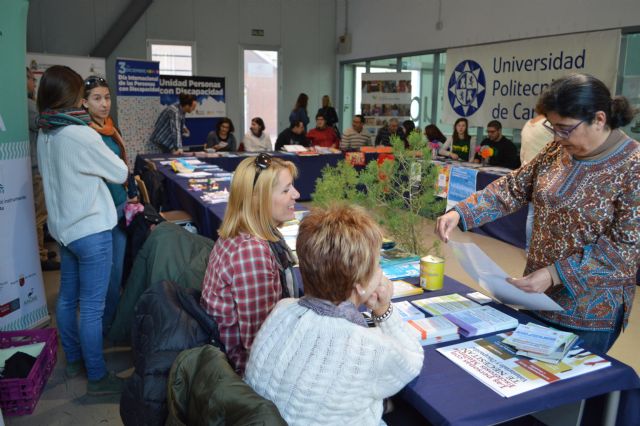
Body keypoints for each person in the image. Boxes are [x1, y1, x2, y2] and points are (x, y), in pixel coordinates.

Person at [435, 73, 640, 353]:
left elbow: (624, 248)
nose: (557, 136)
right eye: (552, 127)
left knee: (569, 393)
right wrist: (461, 211)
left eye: (565, 128)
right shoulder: (557, 149)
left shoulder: (633, 166)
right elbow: (514, 187)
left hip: (588, 313)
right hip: (535, 296)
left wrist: (556, 274)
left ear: (599, 119)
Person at [245, 204, 424, 425]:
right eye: (377, 264)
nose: (380, 272)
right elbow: (412, 362)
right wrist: (383, 310)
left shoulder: (282, 310)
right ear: (359, 283)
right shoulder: (368, 347)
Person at [37, 65, 128, 394]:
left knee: (66, 299)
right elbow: (119, 172)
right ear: (72, 97)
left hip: (64, 232)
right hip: (90, 231)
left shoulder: (46, 132)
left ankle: (74, 359)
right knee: (92, 307)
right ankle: (98, 376)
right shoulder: (80, 134)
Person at [200, 154, 300, 374]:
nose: (297, 195)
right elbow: (259, 346)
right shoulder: (251, 252)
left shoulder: (255, 233)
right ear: (258, 199)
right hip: (247, 373)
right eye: (285, 190)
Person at [82, 76, 139, 334]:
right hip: (99, 211)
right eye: (97, 98)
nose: (104, 104)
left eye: (107, 97)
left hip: (119, 204)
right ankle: (105, 329)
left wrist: (131, 192)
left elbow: (122, 166)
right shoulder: (85, 133)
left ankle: (113, 324)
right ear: (84, 102)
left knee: (117, 271)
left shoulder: (110, 128)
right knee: (105, 276)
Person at [27, 67, 60, 271]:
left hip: (30, 165)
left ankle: (41, 250)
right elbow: (47, 125)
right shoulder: (30, 106)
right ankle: (39, 255)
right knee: (38, 213)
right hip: (34, 167)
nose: (33, 83)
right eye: (31, 78)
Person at [519, 106, 552, 251]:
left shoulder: (528, 124)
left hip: (527, 171)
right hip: (546, 173)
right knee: (541, 216)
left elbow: (523, 152)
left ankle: (528, 249)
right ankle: (537, 250)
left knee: (531, 215)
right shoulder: (549, 125)